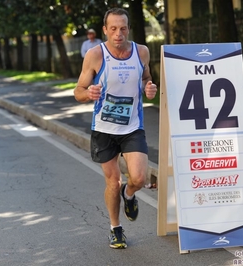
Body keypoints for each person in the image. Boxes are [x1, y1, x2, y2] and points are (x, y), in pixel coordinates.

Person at [73, 8, 157, 249]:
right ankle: (116, 228)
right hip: (104, 129)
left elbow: (146, 79)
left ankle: (129, 195)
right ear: (105, 30)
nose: (118, 33)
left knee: (139, 178)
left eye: (123, 28)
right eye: (113, 29)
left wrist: (148, 87)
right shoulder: (95, 55)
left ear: (128, 29)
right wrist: (88, 93)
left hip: (132, 126)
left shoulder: (141, 52)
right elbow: (78, 90)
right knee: (112, 182)